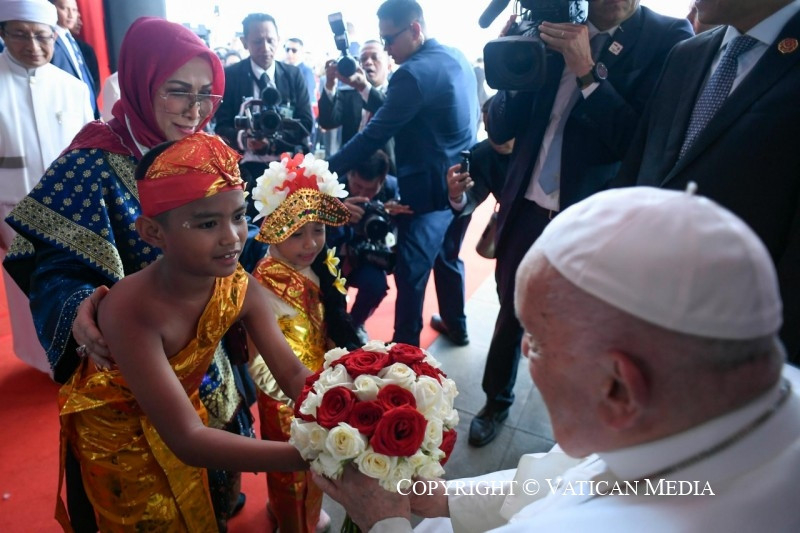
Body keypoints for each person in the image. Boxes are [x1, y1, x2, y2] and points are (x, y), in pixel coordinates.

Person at [313, 185, 800, 532]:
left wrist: (385, 521)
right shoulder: (697, 415)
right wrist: (440, 498)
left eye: (538, 340)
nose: (526, 350)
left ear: (618, 387)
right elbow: (568, 476)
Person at [3, 16, 253, 532]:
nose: (195, 110)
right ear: (141, 82)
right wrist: (78, 308)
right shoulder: (91, 162)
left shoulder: (204, 153)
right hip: (130, 375)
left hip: (204, 358)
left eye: (206, 95)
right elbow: (52, 265)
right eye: (178, 91)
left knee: (216, 482)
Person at [58, 131, 312, 532]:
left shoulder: (239, 286)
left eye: (238, 216)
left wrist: (350, 409)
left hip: (184, 416)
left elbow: (293, 373)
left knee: (205, 509)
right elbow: (188, 440)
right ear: (152, 233)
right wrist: (309, 456)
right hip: (120, 438)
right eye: (208, 223)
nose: (232, 237)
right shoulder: (130, 308)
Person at [473, 0, 693, 447]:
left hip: (593, 219)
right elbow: (501, 129)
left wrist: (588, 73)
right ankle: (496, 400)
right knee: (511, 310)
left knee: (584, 324)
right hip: (526, 205)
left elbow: (640, 143)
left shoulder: (668, 39)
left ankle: (579, 420)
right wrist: (513, 56)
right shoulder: (551, 24)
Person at [614, 0, 800, 366]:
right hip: (639, 304)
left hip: (734, 339)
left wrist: (771, 362)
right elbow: (638, 170)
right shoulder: (687, 53)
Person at [327, 0, 479, 348]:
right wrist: (365, 88)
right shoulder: (455, 56)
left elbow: (373, 136)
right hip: (463, 186)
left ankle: (404, 354)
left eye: (389, 39)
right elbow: (404, 111)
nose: (387, 49)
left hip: (427, 197)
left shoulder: (410, 74)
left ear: (415, 29)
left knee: (411, 277)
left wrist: (320, 170)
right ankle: (456, 324)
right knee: (448, 258)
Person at [246, 151, 361, 533]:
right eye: (297, 233)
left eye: (318, 230)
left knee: (318, 466)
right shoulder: (263, 282)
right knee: (291, 470)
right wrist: (300, 394)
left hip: (321, 384)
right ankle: (294, 523)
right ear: (273, 228)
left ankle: (305, 516)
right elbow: (259, 358)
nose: (311, 243)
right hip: (285, 395)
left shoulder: (316, 265)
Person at [0, 0, 93, 374]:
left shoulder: (72, 88)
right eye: (21, 35)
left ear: (56, 35)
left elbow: (89, 154)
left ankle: (76, 354)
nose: (33, 46)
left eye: (42, 36)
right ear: (4, 33)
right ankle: (41, 361)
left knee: (73, 287)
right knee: (26, 291)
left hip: (71, 216)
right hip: (12, 215)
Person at [214, 12, 314, 208]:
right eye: (258, 41)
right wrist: (245, 140)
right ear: (244, 42)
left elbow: (306, 124)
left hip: (288, 168)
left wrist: (272, 142)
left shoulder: (294, 75)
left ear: (278, 39)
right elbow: (222, 126)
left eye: (270, 40)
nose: (265, 48)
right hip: (245, 171)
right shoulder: (231, 76)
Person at [326, 150, 410, 340]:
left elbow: (398, 232)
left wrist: (393, 216)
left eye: (370, 190)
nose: (363, 195)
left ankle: (355, 325)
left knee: (376, 286)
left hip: (369, 255)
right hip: (333, 256)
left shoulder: (392, 189)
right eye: (357, 186)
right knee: (330, 297)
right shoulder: (331, 187)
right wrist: (336, 215)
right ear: (349, 174)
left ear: (382, 181)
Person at [318, 40, 396, 172]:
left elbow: (387, 110)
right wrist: (330, 84)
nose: (368, 62)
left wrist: (364, 87)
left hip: (388, 172)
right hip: (351, 171)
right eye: (363, 59)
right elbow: (327, 122)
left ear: (389, 66)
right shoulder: (349, 95)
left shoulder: (397, 94)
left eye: (375, 57)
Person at [48, 0, 98, 118]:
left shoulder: (71, 40)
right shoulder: (49, 40)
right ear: (52, 8)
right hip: (66, 112)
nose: (71, 15)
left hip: (87, 110)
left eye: (74, 10)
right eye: (64, 8)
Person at [284, 37, 317, 104]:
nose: (290, 53)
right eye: (287, 49)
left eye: (294, 50)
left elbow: (307, 99)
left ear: (301, 52)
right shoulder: (281, 69)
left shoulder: (307, 72)